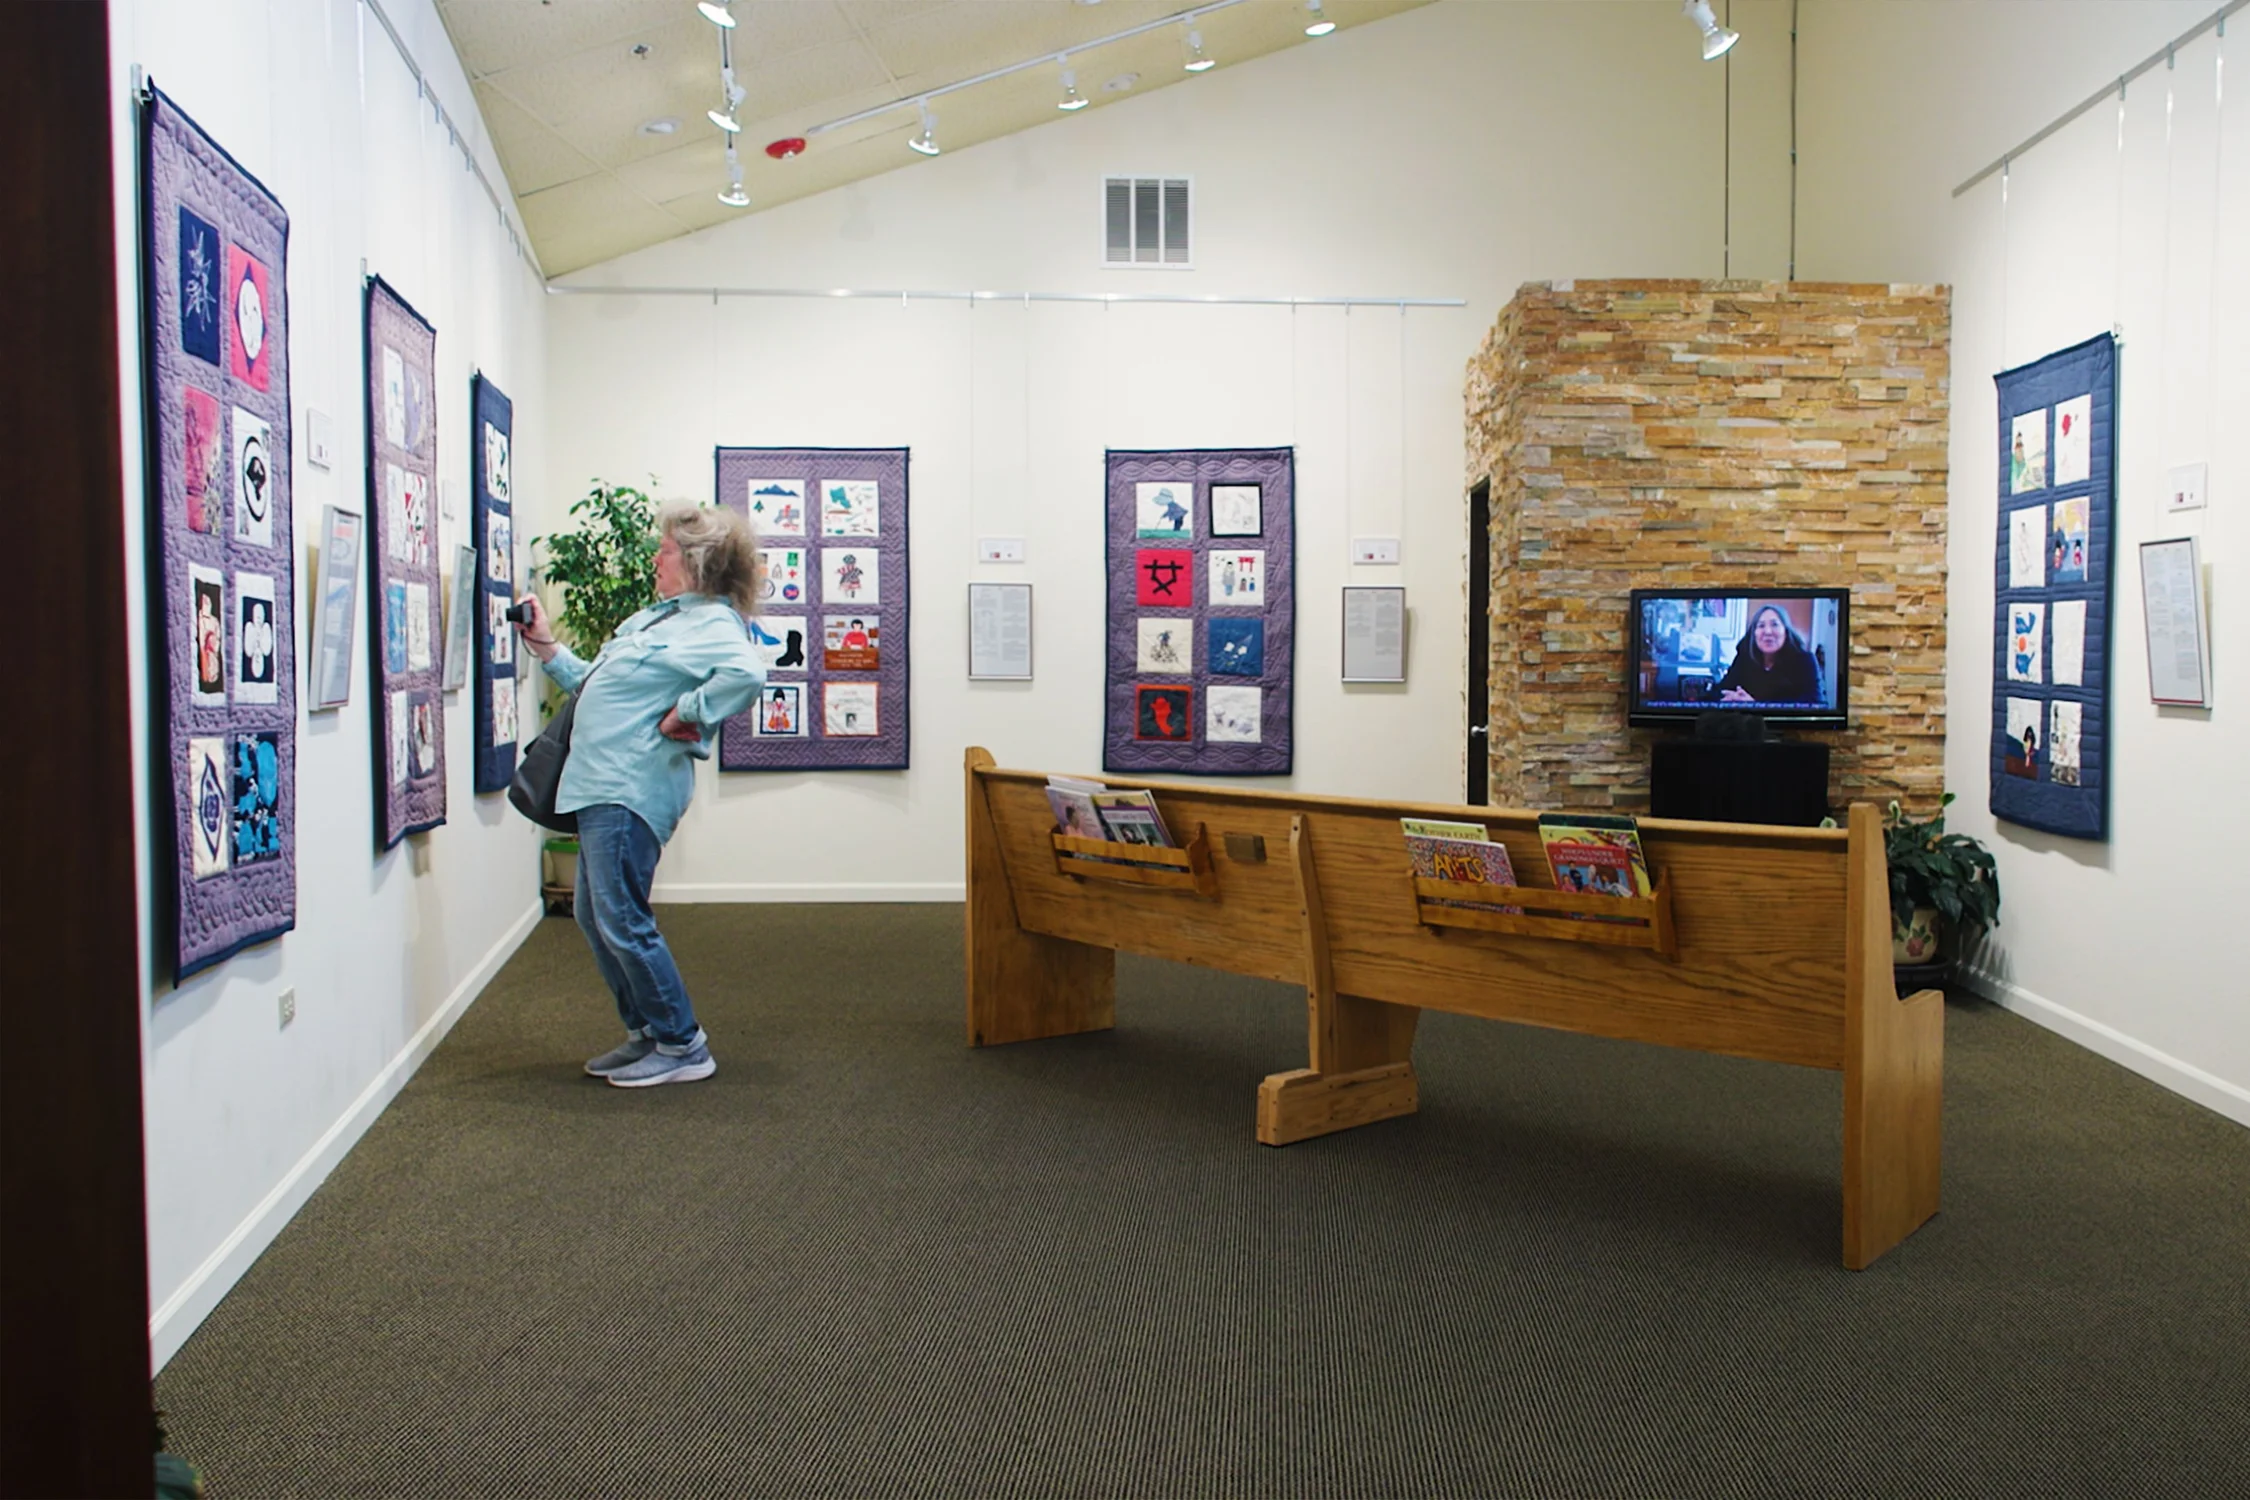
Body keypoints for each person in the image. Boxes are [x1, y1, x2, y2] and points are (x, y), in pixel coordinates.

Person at [515, 503, 766, 1088]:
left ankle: (682, 1043)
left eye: (667, 550)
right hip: (598, 783)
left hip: (629, 788)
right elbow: (598, 686)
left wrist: (691, 711)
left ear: (697, 563)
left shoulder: (712, 624)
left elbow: (749, 675)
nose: (656, 558)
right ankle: (647, 1032)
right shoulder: (658, 620)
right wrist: (547, 648)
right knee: (595, 915)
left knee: (623, 919)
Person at [1717, 604, 1821, 704]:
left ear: (1786, 631)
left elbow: (1815, 703)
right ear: (1754, 633)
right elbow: (1721, 691)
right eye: (1761, 626)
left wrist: (1755, 705)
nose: (1767, 631)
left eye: (1774, 624)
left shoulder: (1805, 660)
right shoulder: (1744, 658)